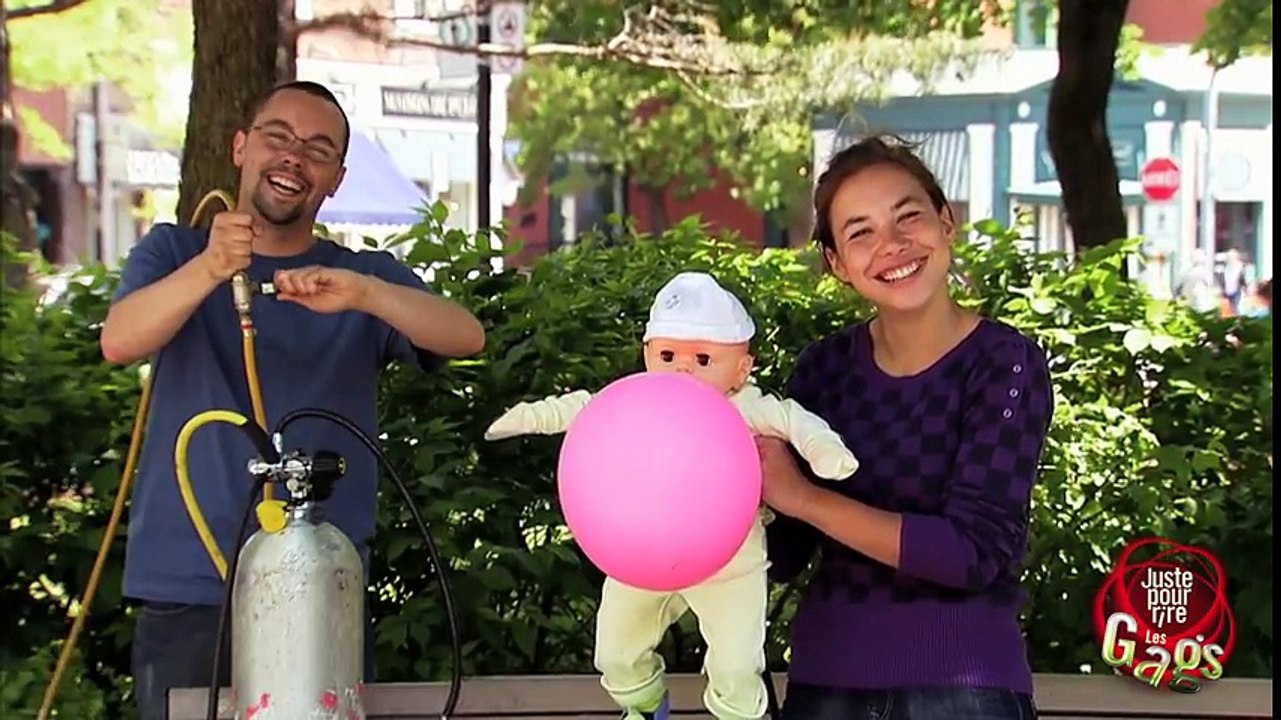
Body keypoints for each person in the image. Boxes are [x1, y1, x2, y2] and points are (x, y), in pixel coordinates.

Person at [100, 80, 486, 720]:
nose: (292, 157)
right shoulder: (174, 251)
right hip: (191, 586)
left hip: (319, 584)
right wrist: (210, 269)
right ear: (241, 147)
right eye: (277, 137)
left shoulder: (359, 278)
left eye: (316, 149)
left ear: (335, 178)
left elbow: (465, 335)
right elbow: (119, 340)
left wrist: (364, 294)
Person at [757, 135, 1054, 719]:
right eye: (860, 232)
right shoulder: (823, 371)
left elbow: (970, 551)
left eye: (908, 217)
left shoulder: (1004, 363)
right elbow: (783, 551)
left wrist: (803, 497)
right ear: (837, 264)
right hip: (826, 688)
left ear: (947, 222)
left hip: (965, 691)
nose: (891, 246)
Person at [484, 271, 859, 720]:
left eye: (703, 358)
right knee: (616, 652)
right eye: (667, 354)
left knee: (739, 664)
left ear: (742, 368)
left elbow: (797, 423)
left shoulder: (747, 406)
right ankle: (642, 706)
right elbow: (578, 408)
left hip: (730, 557)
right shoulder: (634, 399)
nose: (683, 368)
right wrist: (527, 417)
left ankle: (738, 714)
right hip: (641, 552)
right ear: (647, 355)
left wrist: (826, 453)